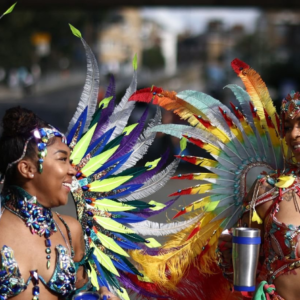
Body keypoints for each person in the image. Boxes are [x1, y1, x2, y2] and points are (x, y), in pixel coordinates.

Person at [0, 106, 120, 300]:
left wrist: (100, 296)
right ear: (27, 169)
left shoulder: (69, 231)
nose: (72, 170)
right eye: (62, 159)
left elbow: (81, 293)